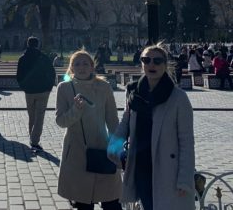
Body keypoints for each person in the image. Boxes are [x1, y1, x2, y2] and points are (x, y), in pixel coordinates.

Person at [108, 44, 195, 210]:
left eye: (157, 61)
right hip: (141, 166)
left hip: (167, 170)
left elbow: (186, 142)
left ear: (165, 64)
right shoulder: (134, 93)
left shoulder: (178, 98)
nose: (151, 65)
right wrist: (114, 148)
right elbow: (125, 123)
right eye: (146, 60)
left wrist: (184, 180)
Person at [55, 50, 122, 209]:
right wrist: (76, 110)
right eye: (77, 64)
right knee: (83, 203)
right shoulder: (64, 88)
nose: (81, 67)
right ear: (71, 69)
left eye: (85, 63)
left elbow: (112, 120)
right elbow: (61, 121)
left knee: (111, 202)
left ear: (92, 67)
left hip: (102, 149)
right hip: (77, 152)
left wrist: (118, 149)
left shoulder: (104, 87)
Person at [17, 36, 56, 150]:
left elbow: (19, 75)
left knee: (31, 115)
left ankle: (32, 136)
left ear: (28, 44)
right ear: (38, 44)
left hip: (29, 91)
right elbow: (51, 72)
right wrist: (49, 86)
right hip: (43, 90)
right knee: (40, 116)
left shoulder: (23, 58)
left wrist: (24, 86)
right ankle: (34, 140)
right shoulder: (44, 57)